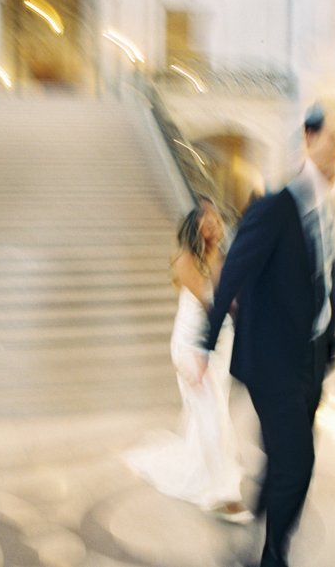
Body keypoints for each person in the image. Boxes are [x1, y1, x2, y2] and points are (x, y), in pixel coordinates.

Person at [195, 95, 335, 567]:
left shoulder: (331, 208)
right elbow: (235, 271)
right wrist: (204, 343)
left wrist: (334, 338)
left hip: (311, 358)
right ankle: (273, 556)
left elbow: (330, 276)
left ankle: (263, 503)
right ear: (308, 138)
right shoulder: (275, 208)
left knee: (286, 448)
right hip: (271, 361)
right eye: (333, 139)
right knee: (298, 463)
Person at [124, 198, 252, 524]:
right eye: (206, 219)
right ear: (194, 226)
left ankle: (207, 469)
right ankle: (221, 494)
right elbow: (214, 305)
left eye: (216, 219)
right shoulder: (186, 259)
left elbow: (234, 300)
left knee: (212, 412)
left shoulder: (220, 257)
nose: (213, 224)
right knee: (212, 414)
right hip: (193, 347)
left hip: (220, 346)